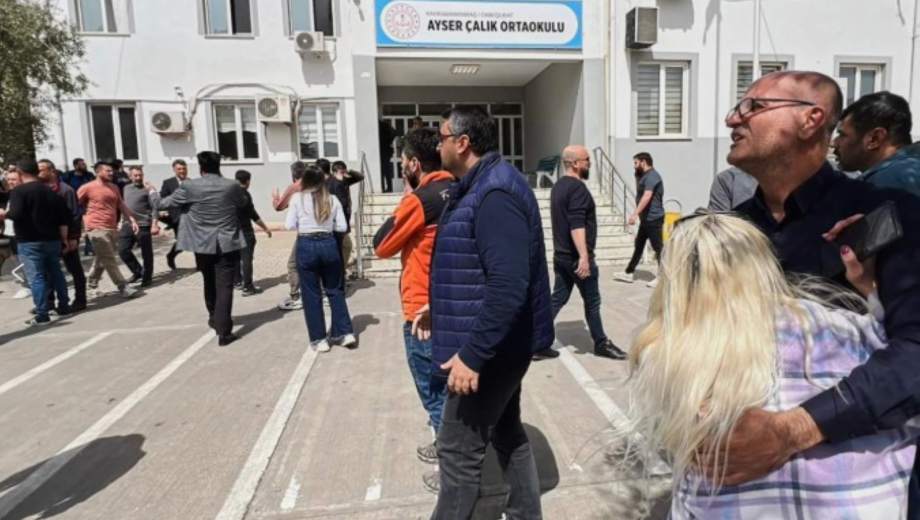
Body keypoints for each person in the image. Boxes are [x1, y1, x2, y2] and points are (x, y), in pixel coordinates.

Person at [709, 71, 920, 513]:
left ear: (811, 120)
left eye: (753, 107)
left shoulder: (888, 214)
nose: (732, 119)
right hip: (742, 495)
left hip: (856, 494)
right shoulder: (733, 231)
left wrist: (795, 430)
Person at [627, 211, 917, 518]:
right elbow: (904, 369)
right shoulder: (847, 330)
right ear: (764, 264)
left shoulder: (666, 359)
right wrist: (871, 288)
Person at [422, 106, 551, 519]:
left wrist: (474, 355)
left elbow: (509, 284)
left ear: (463, 143)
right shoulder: (480, 185)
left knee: (457, 451)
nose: (437, 145)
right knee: (507, 433)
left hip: (491, 352)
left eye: (442, 137)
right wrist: (439, 306)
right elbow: (475, 266)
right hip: (498, 344)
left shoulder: (495, 193)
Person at [372, 127, 453, 483]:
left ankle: (452, 469)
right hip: (453, 303)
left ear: (415, 164)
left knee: (435, 392)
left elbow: (382, 245)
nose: (401, 165)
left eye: (403, 160)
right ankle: (449, 448)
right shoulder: (459, 188)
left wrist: (408, 197)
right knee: (451, 388)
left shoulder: (422, 199)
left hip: (423, 313)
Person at [536, 145, 627, 361]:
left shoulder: (558, 187)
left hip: (561, 256)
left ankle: (536, 342)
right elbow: (576, 225)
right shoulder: (577, 189)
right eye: (587, 160)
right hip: (576, 258)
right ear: (575, 164)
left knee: (558, 298)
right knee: (592, 302)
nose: (590, 163)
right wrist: (584, 257)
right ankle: (601, 343)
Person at [159, 151, 247, 346]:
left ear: (201, 168)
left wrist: (150, 192)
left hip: (202, 244)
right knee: (225, 286)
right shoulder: (231, 185)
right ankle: (224, 332)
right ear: (218, 166)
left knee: (209, 280)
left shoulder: (189, 186)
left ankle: (214, 318)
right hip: (227, 242)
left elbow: (163, 203)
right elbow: (243, 202)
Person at [284, 165, 356, 352]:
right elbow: (342, 227)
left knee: (311, 294)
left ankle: (319, 339)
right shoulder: (332, 199)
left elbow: (289, 225)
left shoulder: (297, 199)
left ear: (305, 180)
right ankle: (344, 332)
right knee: (335, 290)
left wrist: (305, 223)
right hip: (329, 244)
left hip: (306, 244)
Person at [0, 159, 72, 325]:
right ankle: (64, 305)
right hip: (52, 239)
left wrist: (4, 214)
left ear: (21, 173)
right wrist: (64, 239)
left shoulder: (19, 191)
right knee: (56, 273)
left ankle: (42, 313)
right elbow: (63, 218)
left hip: (29, 240)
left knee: (36, 278)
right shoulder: (50, 191)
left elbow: (16, 214)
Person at [833, 90, 920, 197]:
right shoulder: (910, 170)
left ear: (875, 139)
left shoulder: (886, 182)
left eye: (842, 135)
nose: (834, 143)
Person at [77, 160, 139, 299]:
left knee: (102, 258)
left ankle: (91, 285)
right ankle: (123, 286)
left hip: (111, 226)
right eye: (108, 171)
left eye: (112, 171)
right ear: (98, 172)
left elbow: (121, 204)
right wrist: (80, 223)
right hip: (95, 228)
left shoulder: (114, 187)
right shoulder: (87, 187)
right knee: (109, 258)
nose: (111, 173)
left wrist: (132, 219)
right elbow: (74, 204)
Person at [38, 160, 86, 312]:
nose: (38, 172)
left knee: (74, 269)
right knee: (47, 271)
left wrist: (73, 237)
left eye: (41, 169)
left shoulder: (66, 190)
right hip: (48, 238)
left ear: (51, 170)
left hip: (67, 236)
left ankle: (80, 299)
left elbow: (75, 215)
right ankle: (49, 302)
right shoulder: (39, 189)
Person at [614, 152, 664, 287]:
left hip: (654, 218)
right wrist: (637, 174)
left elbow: (647, 196)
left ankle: (663, 277)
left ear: (643, 162)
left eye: (636, 163)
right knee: (639, 245)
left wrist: (635, 214)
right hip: (646, 219)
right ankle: (629, 272)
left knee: (658, 248)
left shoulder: (653, 176)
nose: (634, 166)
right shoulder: (644, 175)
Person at [272, 161, 307, 311]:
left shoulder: (295, 188)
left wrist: (275, 198)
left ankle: (295, 296)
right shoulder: (317, 185)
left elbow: (279, 206)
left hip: (304, 233)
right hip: (323, 232)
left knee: (293, 264)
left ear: (293, 174)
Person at [118, 166, 160, 288]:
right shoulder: (126, 188)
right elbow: (123, 205)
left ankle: (147, 277)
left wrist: (154, 224)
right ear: (130, 176)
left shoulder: (147, 189)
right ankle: (138, 272)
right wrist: (120, 221)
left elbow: (155, 207)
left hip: (143, 225)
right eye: (135, 175)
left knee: (146, 254)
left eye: (140, 175)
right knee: (123, 251)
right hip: (128, 224)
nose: (138, 177)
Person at [234, 169, 272, 296]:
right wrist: (265, 228)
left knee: (235, 257)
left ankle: (237, 282)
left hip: (232, 231)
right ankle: (248, 287)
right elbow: (253, 215)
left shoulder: (229, 194)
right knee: (246, 259)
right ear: (248, 181)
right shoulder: (245, 195)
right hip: (245, 231)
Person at [331, 159, 365, 277]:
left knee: (344, 247)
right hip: (337, 223)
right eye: (340, 172)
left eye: (343, 172)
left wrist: (349, 171)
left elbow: (360, 177)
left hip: (344, 221)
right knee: (346, 246)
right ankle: (339, 272)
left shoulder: (345, 181)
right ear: (334, 172)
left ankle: (339, 272)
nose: (342, 175)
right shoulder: (331, 183)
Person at [160, 159, 189, 270]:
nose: (182, 171)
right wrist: (164, 210)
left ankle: (201, 265)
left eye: (184, 168)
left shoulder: (191, 182)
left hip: (190, 217)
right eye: (179, 169)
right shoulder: (168, 183)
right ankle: (171, 255)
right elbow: (163, 198)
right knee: (182, 242)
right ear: (174, 170)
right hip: (176, 217)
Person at [379, 119, 398, 193]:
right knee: (384, 171)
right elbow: (394, 133)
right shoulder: (383, 125)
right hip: (384, 151)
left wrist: (389, 140)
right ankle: (387, 188)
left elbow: (394, 133)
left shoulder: (382, 125)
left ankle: (387, 188)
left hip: (384, 151)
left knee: (385, 171)